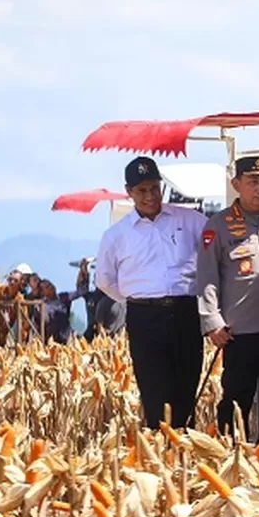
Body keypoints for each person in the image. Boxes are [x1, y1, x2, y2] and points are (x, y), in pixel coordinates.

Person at [95, 156, 209, 430]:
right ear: (129, 192)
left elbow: (213, 258)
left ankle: (185, 450)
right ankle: (161, 452)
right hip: (145, 317)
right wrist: (137, 300)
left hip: (185, 312)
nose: (150, 196)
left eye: (154, 188)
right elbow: (105, 280)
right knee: (154, 390)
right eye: (141, 191)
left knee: (186, 387)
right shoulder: (116, 235)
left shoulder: (192, 221)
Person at [196, 155, 259, 449]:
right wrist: (212, 321)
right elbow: (206, 278)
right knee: (236, 401)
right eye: (252, 182)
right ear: (236, 184)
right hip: (241, 332)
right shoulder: (219, 226)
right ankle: (227, 456)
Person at [38, 259, 90, 345]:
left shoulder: (64, 297)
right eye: (47, 287)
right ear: (43, 293)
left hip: (68, 338)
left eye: (50, 284)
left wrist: (84, 272)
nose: (51, 287)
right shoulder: (43, 305)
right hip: (53, 342)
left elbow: (82, 291)